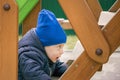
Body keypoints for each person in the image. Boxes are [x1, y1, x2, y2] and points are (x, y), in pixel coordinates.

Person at [18, 9, 68, 80]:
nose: (62, 51)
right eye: (59, 47)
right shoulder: (29, 55)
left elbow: (56, 66)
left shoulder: (47, 53)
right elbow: (35, 75)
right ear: (46, 44)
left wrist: (68, 71)